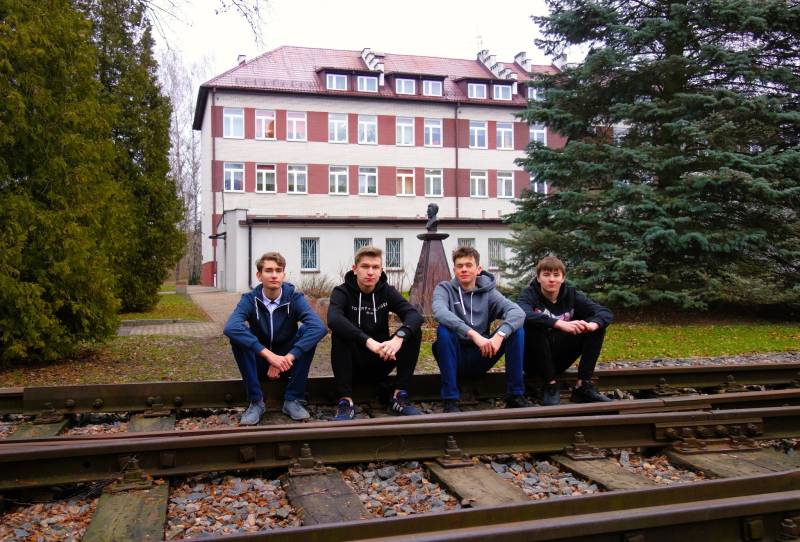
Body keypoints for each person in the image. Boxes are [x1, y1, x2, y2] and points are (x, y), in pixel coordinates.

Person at [224, 252, 327, 424]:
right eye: (268, 270)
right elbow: (231, 327)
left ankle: (293, 399)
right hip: (260, 363)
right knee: (238, 337)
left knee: (308, 331)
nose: (274, 275)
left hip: (288, 364)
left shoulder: (294, 298)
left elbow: (319, 327)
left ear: (283, 275)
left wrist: (287, 358)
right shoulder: (249, 299)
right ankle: (256, 402)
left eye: (278, 270)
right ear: (259, 275)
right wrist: (269, 356)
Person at [327, 246, 424, 420]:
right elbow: (333, 319)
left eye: (375, 267)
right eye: (365, 266)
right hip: (352, 363)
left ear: (381, 271)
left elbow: (414, 315)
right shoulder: (342, 292)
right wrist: (368, 341)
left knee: (413, 332)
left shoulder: (386, 291)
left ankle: (399, 396)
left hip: (382, 358)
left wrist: (398, 338)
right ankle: (345, 401)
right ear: (355, 269)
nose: (370, 272)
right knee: (340, 333)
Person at [432, 246, 531, 413]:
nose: (464, 269)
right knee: (444, 330)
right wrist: (473, 334)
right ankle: (450, 400)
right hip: (455, 354)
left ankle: (515, 395)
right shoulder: (445, 289)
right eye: (460, 266)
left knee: (516, 331)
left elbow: (517, 312)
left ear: (478, 269)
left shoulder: (489, 292)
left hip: (483, 353)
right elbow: (439, 311)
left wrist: (499, 335)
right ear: (454, 270)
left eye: (468, 265)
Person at [517, 255, 614, 405]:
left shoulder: (571, 295)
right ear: (538, 278)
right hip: (534, 361)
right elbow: (522, 313)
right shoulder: (529, 294)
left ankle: (583, 386)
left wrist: (592, 325)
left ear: (563, 278)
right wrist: (558, 323)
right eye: (546, 275)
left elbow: (604, 312)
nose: (551, 279)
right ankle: (550, 385)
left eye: (556, 275)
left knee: (597, 327)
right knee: (533, 325)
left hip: (560, 358)